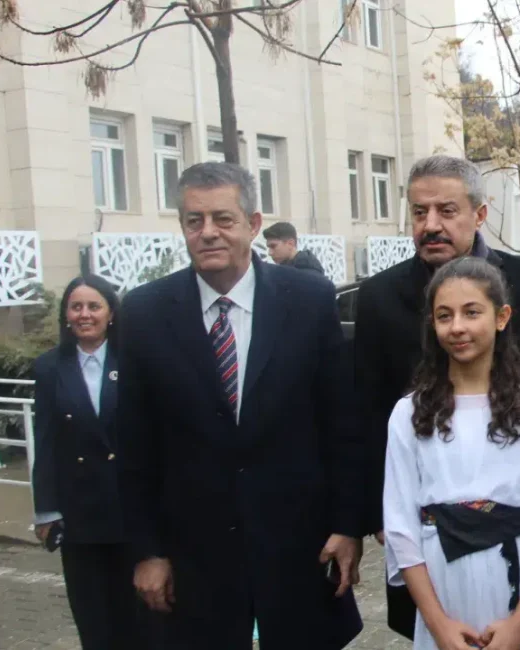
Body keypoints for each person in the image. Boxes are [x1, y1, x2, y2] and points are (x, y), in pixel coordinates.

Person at [116, 162, 365, 650]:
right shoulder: (145, 313)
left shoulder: (309, 300)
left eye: (222, 219)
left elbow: (340, 423)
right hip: (193, 557)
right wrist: (147, 551)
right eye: (193, 221)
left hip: (298, 547)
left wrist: (348, 525)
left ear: (253, 224)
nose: (207, 233)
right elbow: (134, 444)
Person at [353, 154, 520, 638]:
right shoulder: (381, 296)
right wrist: (378, 516)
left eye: (446, 211)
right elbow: (364, 410)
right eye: (419, 212)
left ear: (480, 214)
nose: (431, 225)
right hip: (426, 527)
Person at [382, 256, 520, 650]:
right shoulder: (410, 414)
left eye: (471, 312)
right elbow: (401, 529)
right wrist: (438, 625)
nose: (457, 327)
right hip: (446, 589)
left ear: (501, 316)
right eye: (444, 315)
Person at [30, 274, 150, 649]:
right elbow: (46, 441)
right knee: (94, 620)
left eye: (93, 306)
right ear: (66, 314)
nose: (84, 314)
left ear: (110, 312)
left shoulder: (134, 361)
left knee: (140, 620)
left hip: (132, 511)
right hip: (80, 515)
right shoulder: (50, 367)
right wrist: (46, 510)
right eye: (76, 306)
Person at [262, 221, 326, 275]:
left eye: (273, 246)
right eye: (269, 247)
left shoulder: (308, 271)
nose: (270, 253)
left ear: (290, 244)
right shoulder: (286, 267)